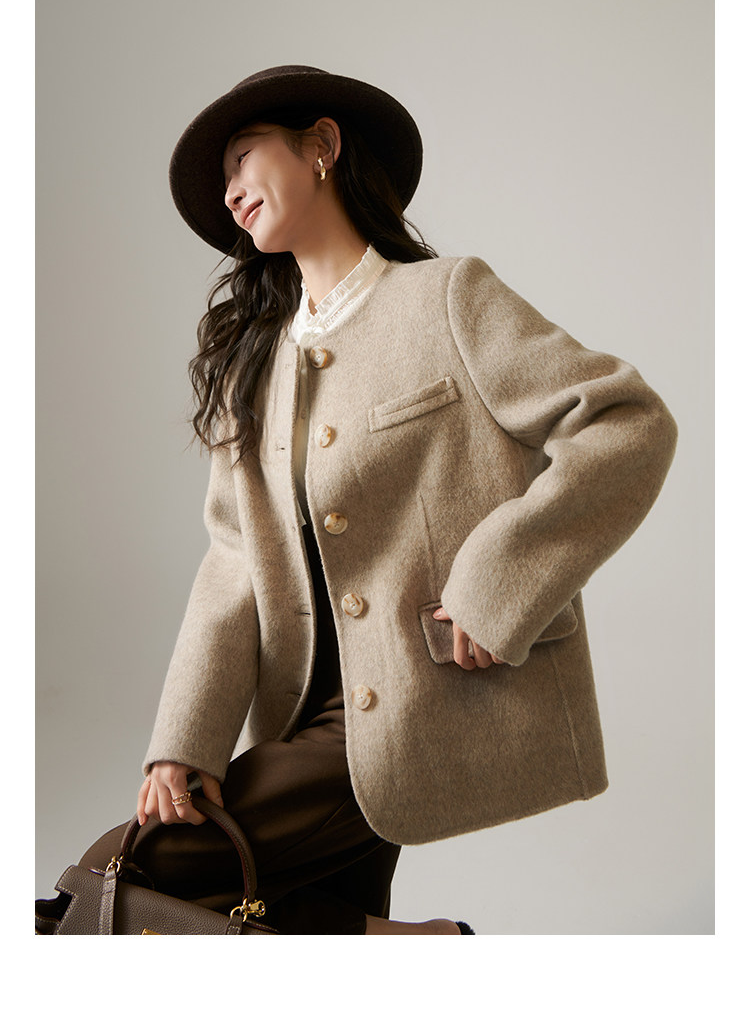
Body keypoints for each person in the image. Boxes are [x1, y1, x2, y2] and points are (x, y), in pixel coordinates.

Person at [76, 65, 677, 934]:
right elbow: (233, 562)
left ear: (321, 146)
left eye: (243, 159)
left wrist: (498, 579)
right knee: (227, 918)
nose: (231, 191)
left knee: (112, 877)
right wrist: (186, 741)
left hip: (420, 703)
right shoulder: (255, 368)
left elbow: (625, 423)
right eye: (224, 182)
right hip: (304, 714)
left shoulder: (446, 299)